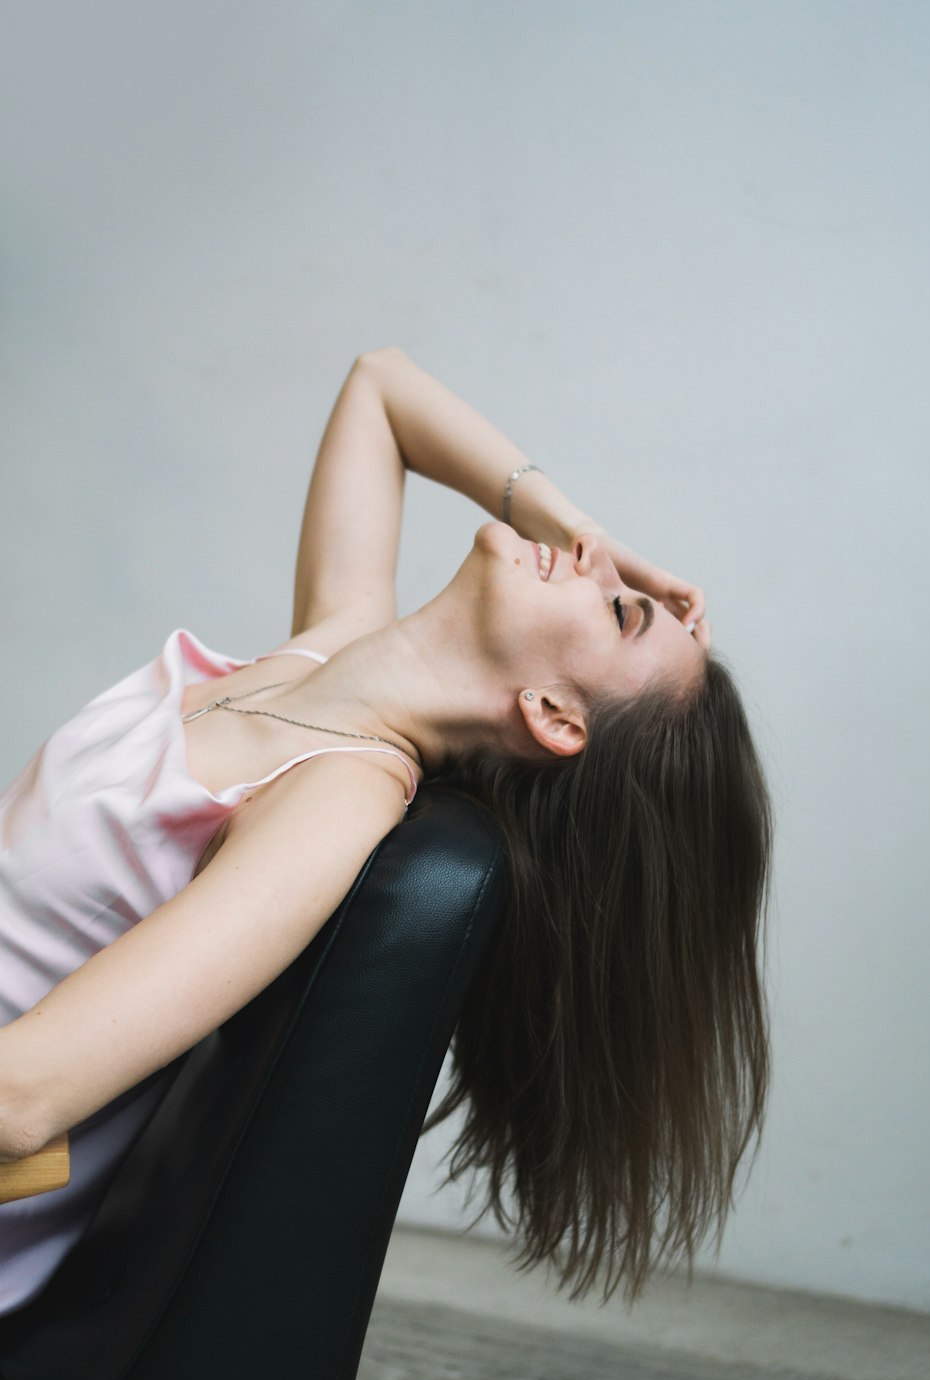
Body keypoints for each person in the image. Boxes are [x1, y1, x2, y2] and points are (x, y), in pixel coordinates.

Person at [0, 346, 771, 1316]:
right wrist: (581, 531)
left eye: (616, 610)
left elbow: (21, 1102)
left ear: (556, 716)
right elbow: (380, 388)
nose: (590, 567)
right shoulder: (322, 654)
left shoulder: (333, 804)